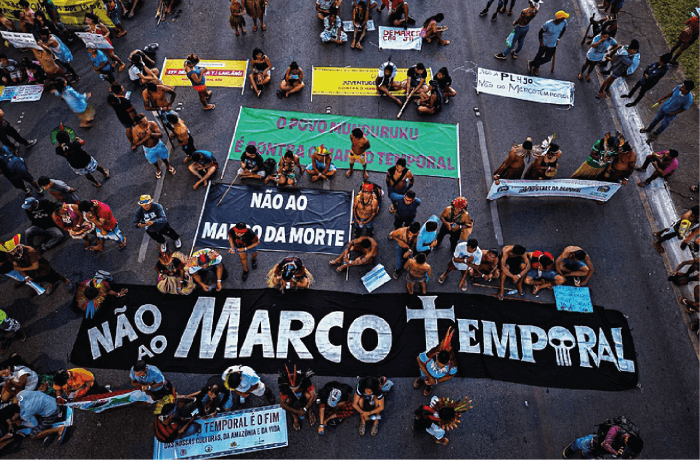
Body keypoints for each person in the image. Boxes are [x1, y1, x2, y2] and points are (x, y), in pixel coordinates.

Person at [7, 242, 73, 296]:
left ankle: (66, 281)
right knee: (43, 279)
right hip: (32, 273)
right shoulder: (11, 255)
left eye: (13, 250)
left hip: (42, 269)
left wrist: (21, 269)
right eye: (10, 252)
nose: (12, 253)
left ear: (18, 247)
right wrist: (26, 275)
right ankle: (52, 284)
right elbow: (15, 264)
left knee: (54, 276)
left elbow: (35, 266)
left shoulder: (29, 251)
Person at [563, 419, 644, 459]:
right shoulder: (615, 430)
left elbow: (635, 454)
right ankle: (572, 447)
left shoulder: (635, 442)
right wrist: (616, 452)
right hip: (602, 440)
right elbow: (605, 445)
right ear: (626, 440)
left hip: (614, 445)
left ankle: (586, 454)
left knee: (597, 453)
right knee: (586, 443)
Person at [414, 328, 457, 396]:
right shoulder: (430, 354)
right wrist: (428, 376)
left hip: (437, 378)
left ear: (448, 362)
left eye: (442, 366)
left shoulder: (453, 366)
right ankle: (421, 379)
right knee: (423, 376)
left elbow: (451, 376)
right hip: (425, 372)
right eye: (437, 363)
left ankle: (429, 387)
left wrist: (435, 381)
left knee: (432, 384)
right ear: (436, 356)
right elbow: (419, 360)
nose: (439, 367)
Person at [132, 113, 176, 179]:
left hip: (158, 145)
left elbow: (161, 135)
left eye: (146, 120)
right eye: (144, 122)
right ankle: (158, 168)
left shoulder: (152, 123)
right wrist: (146, 138)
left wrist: (152, 134)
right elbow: (137, 144)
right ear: (139, 123)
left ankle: (168, 165)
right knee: (153, 161)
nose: (147, 122)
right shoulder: (135, 131)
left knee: (164, 157)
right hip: (148, 149)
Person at [527, 11, 568, 77]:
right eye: (563, 18)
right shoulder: (548, 24)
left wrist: (558, 38)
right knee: (539, 55)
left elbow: (564, 29)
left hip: (553, 45)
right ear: (559, 18)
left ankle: (532, 63)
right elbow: (540, 32)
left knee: (548, 58)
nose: (564, 19)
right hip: (544, 43)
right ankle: (536, 67)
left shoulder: (564, 22)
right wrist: (541, 42)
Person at [278, 366, 316, 431]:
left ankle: (310, 413)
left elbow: (313, 396)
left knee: (309, 396)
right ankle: (295, 418)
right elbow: (282, 404)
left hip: (303, 391)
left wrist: (306, 408)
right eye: (292, 388)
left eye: (296, 388)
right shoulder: (282, 383)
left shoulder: (305, 379)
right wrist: (297, 412)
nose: (294, 390)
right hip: (291, 396)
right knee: (287, 401)